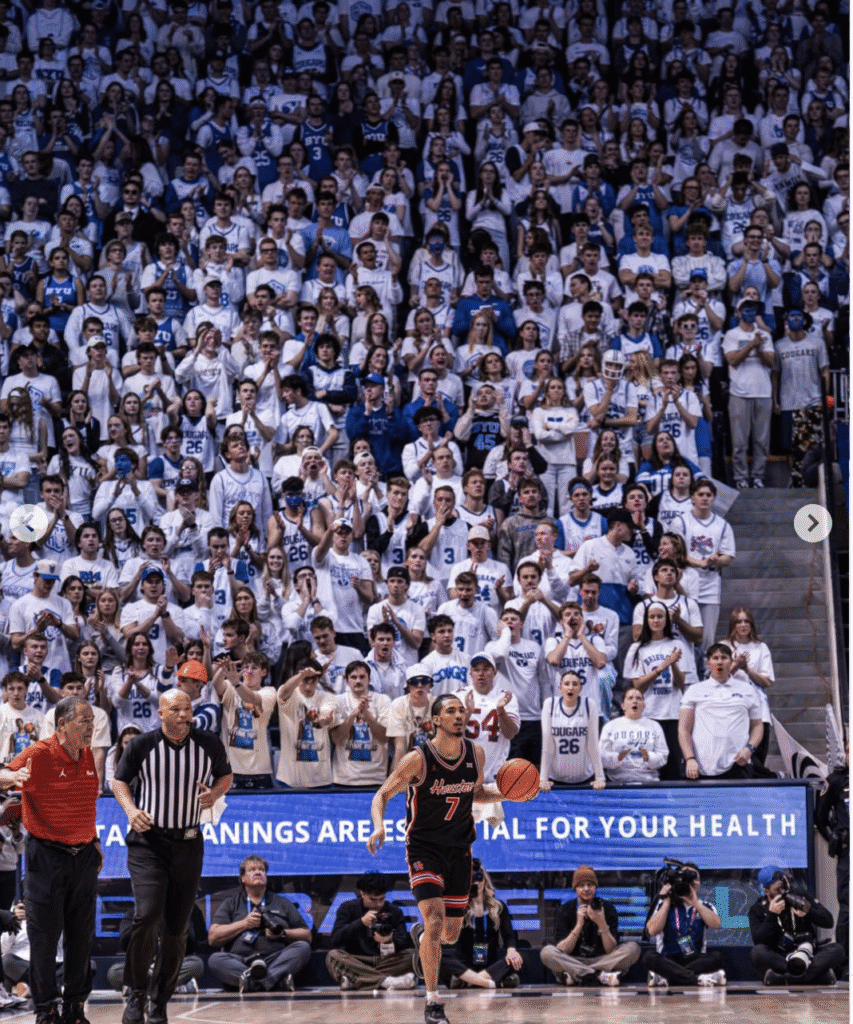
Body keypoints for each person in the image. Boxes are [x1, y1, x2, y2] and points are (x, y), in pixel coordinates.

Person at [367, 693, 504, 1024]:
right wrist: (379, 826)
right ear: (436, 721)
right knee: (435, 917)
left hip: (460, 849)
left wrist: (510, 791)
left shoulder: (476, 753)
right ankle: (432, 1001)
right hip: (423, 848)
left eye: (461, 710)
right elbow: (382, 794)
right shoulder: (417, 758)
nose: (459, 715)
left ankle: (423, 936)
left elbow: (477, 793)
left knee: (450, 934)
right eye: (450, 711)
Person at [112, 690, 232, 1024]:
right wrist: (131, 809)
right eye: (176, 710)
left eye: (188, 709)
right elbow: (118, 781)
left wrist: (215, 792)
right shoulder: (142, 745)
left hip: (189, 843)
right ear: (162, 712)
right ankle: (136, 994)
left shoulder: (208, 743)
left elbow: (226, 776)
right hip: (148, 843)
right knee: (147, 915)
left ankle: (159, 1000)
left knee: (178, 929)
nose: (184, 715)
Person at [0, 696, 100, 1024]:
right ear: (62, 725)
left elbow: (86, 804)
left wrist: (95, 842)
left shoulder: (87, 755)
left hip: (83, 856)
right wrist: (12, 779)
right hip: (47, 857)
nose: (90, 726)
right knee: (44, 938)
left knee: (81, 937)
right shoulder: (40, 754)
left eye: (91, 720)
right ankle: (46, 1009)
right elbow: (4, 774)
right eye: (83, 721)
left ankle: (75, 1006)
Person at [207, 854, 312, 992]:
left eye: (262, 870)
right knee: (215, 959)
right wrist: (244, 924)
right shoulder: (230, 903)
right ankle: (274, 981)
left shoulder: (282, 902)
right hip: (241, 961)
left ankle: (250, 982)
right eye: (252, 870)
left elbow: (307, 935)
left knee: (302, 947)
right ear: (243, 878)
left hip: (275, 959)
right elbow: (213, 937)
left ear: (266, 877)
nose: (258, 872)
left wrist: (282, 934)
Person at [540, 865, 641, 986]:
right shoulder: (565, 910)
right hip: (573, 960)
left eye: (590, 885)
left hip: (603, 960)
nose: (586, 889)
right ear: (575, 888)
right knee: (547, 952)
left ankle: (578, 975)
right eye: (582, 886)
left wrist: (601, 923)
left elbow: (611, 949)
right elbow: (563, 949)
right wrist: (578, 925)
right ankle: (599, 975)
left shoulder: (607, 908)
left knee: (633, 948)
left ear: (595, 887)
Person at [749, 865, 845, 986]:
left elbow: (828, 921)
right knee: (757, 953)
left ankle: (782, 978)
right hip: (780, 957)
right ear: (766, 890)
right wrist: (771, 915)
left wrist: (808, 912)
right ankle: (815, 977)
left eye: (784, 886)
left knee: (838, 950)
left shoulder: (800, 895)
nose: (783, 891)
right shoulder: (758, 908)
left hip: (807, 953)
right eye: (778, 889)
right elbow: (759, 940)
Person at [678, 642, 763, 780]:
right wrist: (689, 758)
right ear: (707, 663)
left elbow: (757, 725)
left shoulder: (747, 689)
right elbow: (683, 729)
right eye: (715, 658)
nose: (720, 662)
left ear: (731, 662)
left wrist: (749, 749)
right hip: (699, 767)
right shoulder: (694, 690)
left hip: (737, 764)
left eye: (724, 658)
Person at [437, 859, 522, 989]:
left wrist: (512, 951)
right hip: (464, 966)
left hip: (490, 965)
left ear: (485, 880)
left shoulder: (498, 907)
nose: (475, 883)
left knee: (517, 959)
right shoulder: (458, 907)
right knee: (439, 957)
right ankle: (492, 983)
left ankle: (468, 982)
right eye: (470, 880)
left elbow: (509, 936)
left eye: (478, 878)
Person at [325, 871, 416, 991]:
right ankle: (387, 981)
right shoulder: (347, 908)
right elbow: (336, 939)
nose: (377, 904)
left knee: (415, 954)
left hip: (386, 961)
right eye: (373, 900)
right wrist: (360, 923)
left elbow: (403, 941)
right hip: (358, 960)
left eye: (381, 899)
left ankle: (358, 980)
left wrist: (390, 940)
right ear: (362, 893)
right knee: (333, 956)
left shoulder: (395, 911)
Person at [644, 862, 726, 987]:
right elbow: (652, 930)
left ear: (699, 883)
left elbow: (716, 924)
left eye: (694, 879)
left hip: (695, 959)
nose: (690, 883)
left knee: (717, 957)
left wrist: (695, 902)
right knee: (649, 956)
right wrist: (666, 902)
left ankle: (667, 977)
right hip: (669, 958)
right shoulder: (663, 904)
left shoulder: (705, 906)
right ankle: (697, 979)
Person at [814, 751, 849, 963]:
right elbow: (820, 816)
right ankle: (843, 962)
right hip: (848, 851)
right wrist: (834, 841)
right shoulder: (836, 780)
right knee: (848, 907)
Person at [599, 688, 669, 783]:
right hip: (617, 782)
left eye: (639, 698)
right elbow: (601, 756)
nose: (635, 701)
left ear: (643, 706)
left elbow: (663, 756)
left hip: (649, 782)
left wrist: (649, 757)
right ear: (622, 705)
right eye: (630, 698)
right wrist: (617, 757)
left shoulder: (655, 726)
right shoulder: (610, 726)